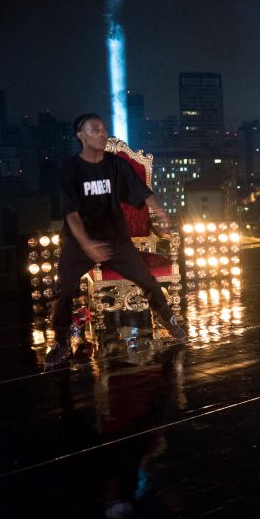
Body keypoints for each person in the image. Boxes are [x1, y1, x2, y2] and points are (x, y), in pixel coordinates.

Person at [44, 114, 187, 368]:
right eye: (95, 129)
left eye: (104, 129)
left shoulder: (115, 165)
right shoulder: (70, 169)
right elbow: (72, 215)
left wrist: (160, 211)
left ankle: (168, 318)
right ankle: (61, 341)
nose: (102, 133)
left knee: (147, 280)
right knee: (64, 287)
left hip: (114, 237)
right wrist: (87, 244)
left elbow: (141, 191)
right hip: (80, 240)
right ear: (81, 135)